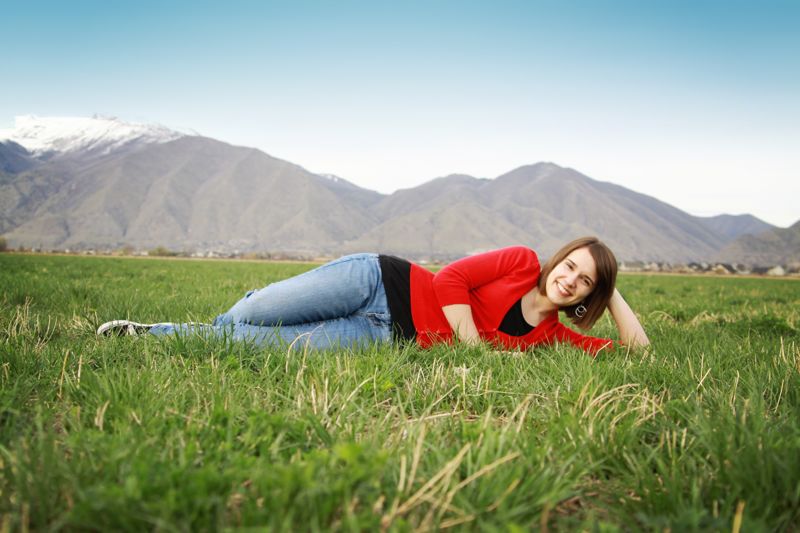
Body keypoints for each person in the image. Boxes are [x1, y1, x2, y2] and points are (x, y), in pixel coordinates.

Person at [97, 237, 649, 356]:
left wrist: (614, 287)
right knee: (253, 313)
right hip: (380, 280)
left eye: (585, 282)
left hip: (386, 333)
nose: (571, 280)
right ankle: (247, 304)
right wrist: (472, 345)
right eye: (571, 266)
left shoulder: (553, 336)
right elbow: (450, 278)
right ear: (557, 260)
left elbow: (637, 353)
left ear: (590, 294)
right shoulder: (522, 261)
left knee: (265, 347)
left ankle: (153, 334)